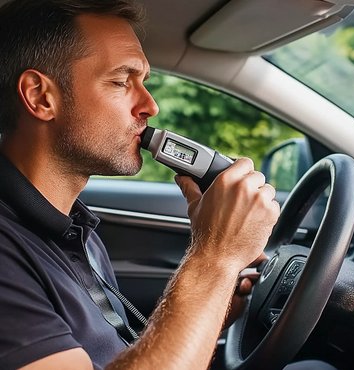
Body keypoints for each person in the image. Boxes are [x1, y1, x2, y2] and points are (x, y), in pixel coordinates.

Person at [0, 1, 336, 370]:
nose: (150, 106)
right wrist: (214, 257)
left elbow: (114, 352)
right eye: (120, 81)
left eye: (144, 82)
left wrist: (218, 299)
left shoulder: (75, 227)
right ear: (39, 96)